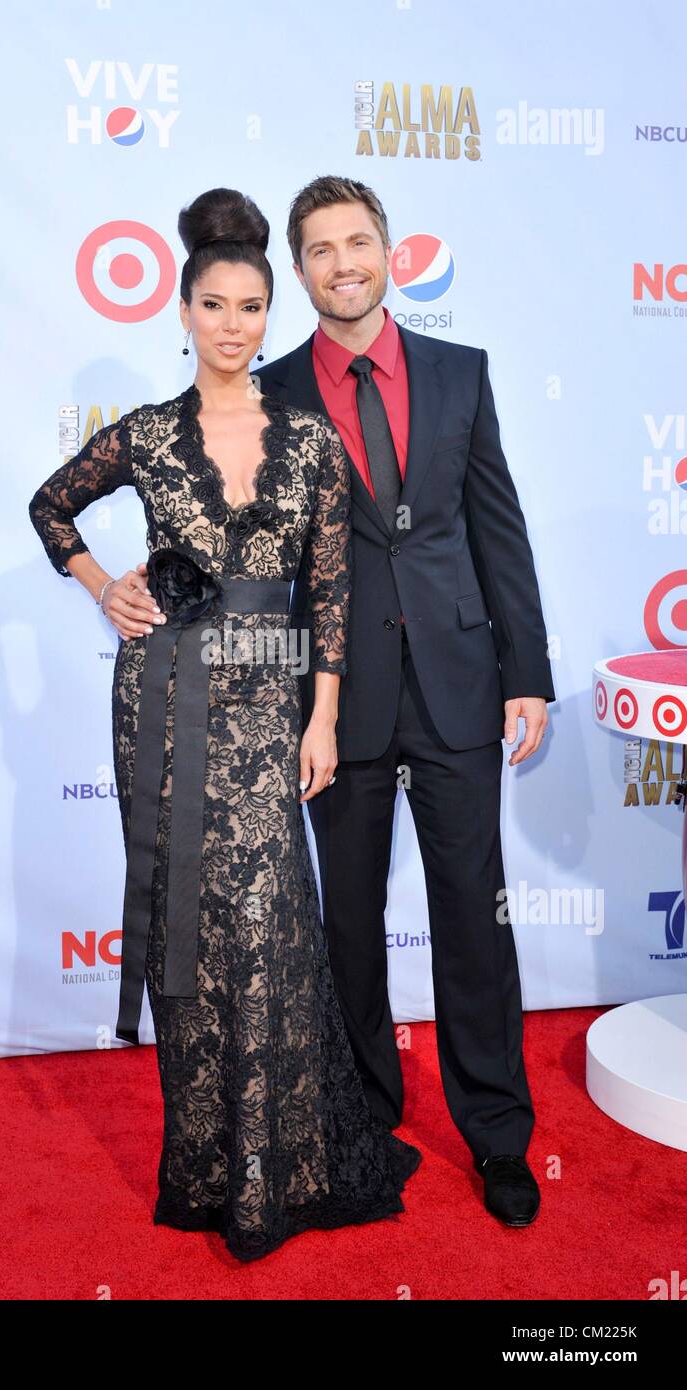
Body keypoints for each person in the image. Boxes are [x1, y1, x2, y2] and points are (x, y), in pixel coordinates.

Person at [28, 187, 421, 1263]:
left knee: (271, 925)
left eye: (253, 305)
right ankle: (205, 1165)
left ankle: (280, 1165)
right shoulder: (149, 438)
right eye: (216, 304)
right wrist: (103, 582)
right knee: (191, 932)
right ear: (186, 311)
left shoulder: (309, 443)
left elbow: (330, 594)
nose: (236, 324)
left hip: (270, 702)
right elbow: (49, 506)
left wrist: (324, 716)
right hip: (162, 706)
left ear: (268, 311)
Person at [254, 175, 556, 1228]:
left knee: (475, 916)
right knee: (350, 923)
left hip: (463, 679)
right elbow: (262, 558)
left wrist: (527, 671)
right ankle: (366, 1122)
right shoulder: (275, 391)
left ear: (390, 252)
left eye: (360, 241)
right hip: (335, 699)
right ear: (299, 271)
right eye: (322, 250)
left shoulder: (460, 373)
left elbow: (497, 530)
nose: (344, 263)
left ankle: (499, 1136)